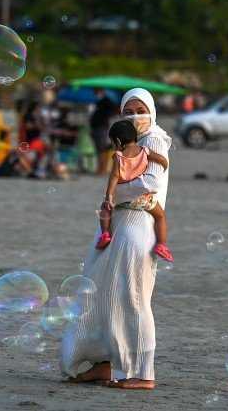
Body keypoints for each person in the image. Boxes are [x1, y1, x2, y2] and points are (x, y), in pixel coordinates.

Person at [61, 88, 171, 390]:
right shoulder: (127, 143)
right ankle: (106, 363)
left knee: (132, 298)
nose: (135, 116)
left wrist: (114, 194)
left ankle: (142, 373)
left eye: (140, 109)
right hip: (119, 224)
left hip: (137, 225)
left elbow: (150, 184)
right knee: (100, 294)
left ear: (151, 110)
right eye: (129, 111)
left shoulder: (155, 139)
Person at [96, 119, 173, 262]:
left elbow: (114, 177)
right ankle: (162, 245)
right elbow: (161, 159)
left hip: (121, 196)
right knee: (160, 216)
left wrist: (108, 197)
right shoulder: (145, 151)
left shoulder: (118, 157)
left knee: (104, 209)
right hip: (142, 198)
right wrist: (164, 165)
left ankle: (105, 234)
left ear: (118, 141)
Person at [89, 89, 117, 175]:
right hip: (97, 128)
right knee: (99, 149)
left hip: (102, 128)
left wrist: (105, 116)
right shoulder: (98, 102)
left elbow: (114, 110)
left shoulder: (106, 101)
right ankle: (100, 168)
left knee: (102, 149)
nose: (96, 94)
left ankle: (102, 169)